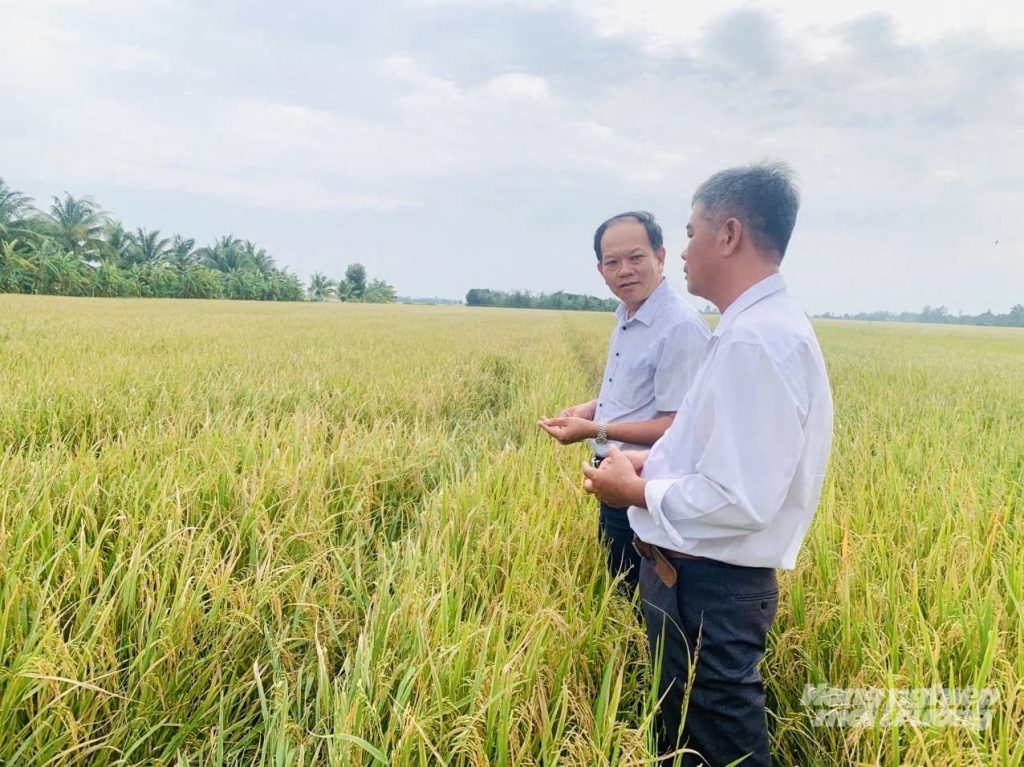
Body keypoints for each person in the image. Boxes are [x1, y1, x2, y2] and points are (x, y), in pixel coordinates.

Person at [581, 164, 834, 766]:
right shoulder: (750, 328)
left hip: (712, 587)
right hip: (701, 579)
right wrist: (644, 461)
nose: (684, 251)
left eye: (691, 233)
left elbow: (739, 498)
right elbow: (709, 451)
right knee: (691, 733)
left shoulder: (754, 340)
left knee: (719, 741)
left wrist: (635, 491)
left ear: (729, 234)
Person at [539, 211, 709, 597]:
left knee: (639, 595)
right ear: (601, 270)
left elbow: (679, 424)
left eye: (636, 257)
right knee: (619, 584)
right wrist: (591, 408)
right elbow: (638, 392)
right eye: (612, 262)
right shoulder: (629, 316)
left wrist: (596, 429)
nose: (625, 270)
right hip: (615, 477)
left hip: (646, 484)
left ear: (660, 256)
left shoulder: (679, 326)